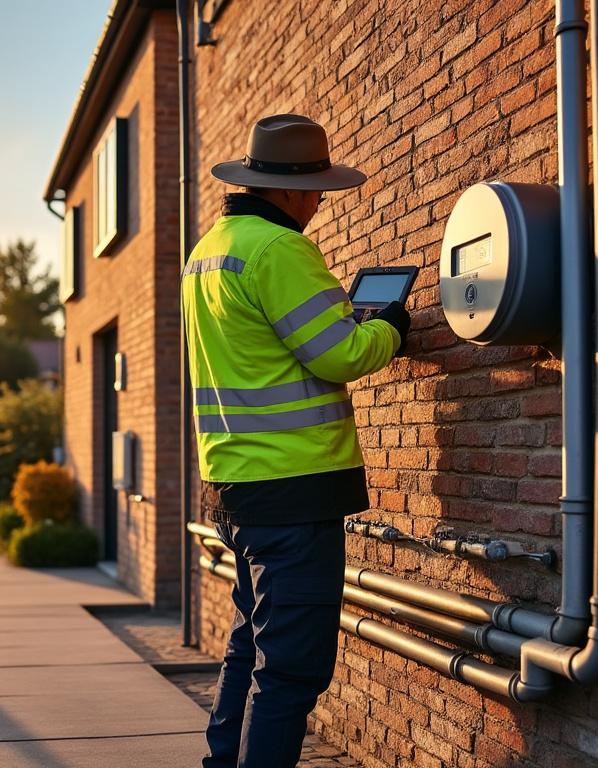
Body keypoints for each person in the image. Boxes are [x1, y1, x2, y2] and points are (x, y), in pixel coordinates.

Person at [183, 113, 410, 768]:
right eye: (316, 192)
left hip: (237, 486)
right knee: (289, 670)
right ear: (286, 189)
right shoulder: (279, 249)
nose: (319, 205)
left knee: (249, 650)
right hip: (295, 492)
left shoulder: (208, 250)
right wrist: (391, 326)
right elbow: (341, 352)